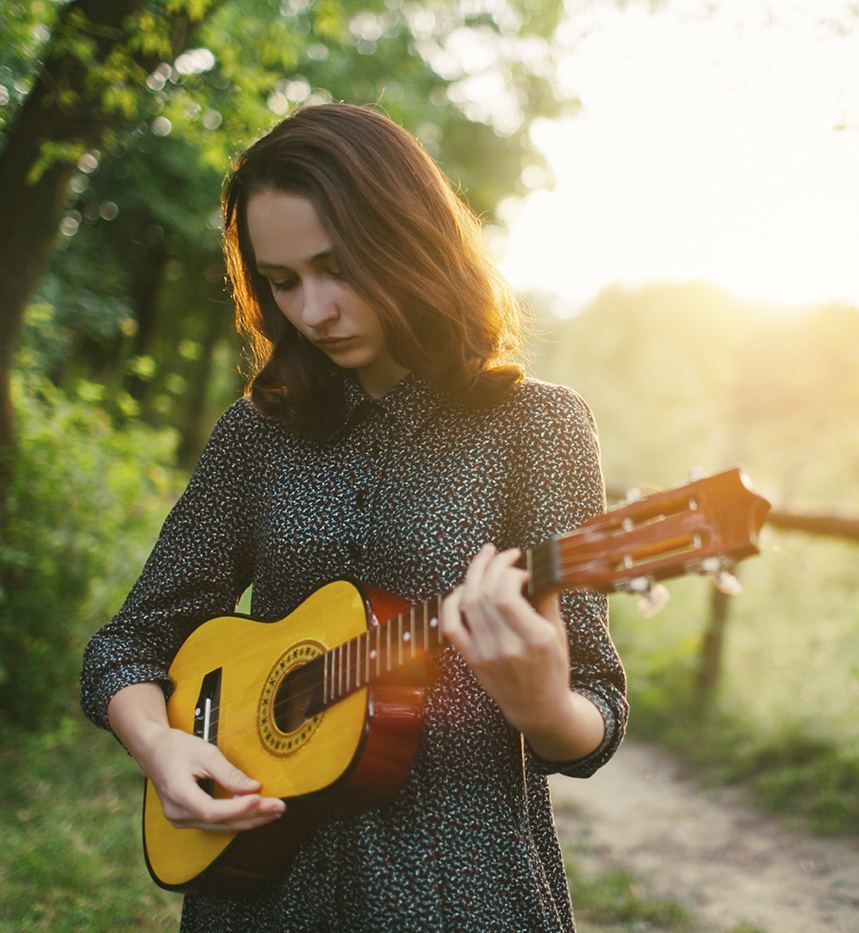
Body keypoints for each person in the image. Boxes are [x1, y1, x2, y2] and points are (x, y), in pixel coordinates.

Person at [79, 102, 626, 932]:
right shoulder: (255, 436)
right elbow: (128, 645)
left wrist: (545, 706)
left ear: (408, 241)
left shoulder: (537, 428)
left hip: (458, 891)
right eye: (283, 281)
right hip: (259, 893)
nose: (313, 311)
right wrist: (161, 745)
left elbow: (596, 706)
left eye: (337, 268)